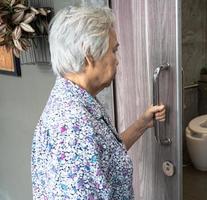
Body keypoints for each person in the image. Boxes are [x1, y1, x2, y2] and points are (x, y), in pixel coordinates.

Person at [31, 6, 166, 200]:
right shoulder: (73, 124)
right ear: (89, 54)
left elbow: (105, 158)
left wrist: (142, 124)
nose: (117, 60)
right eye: (113, 50)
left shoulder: (74, 99)